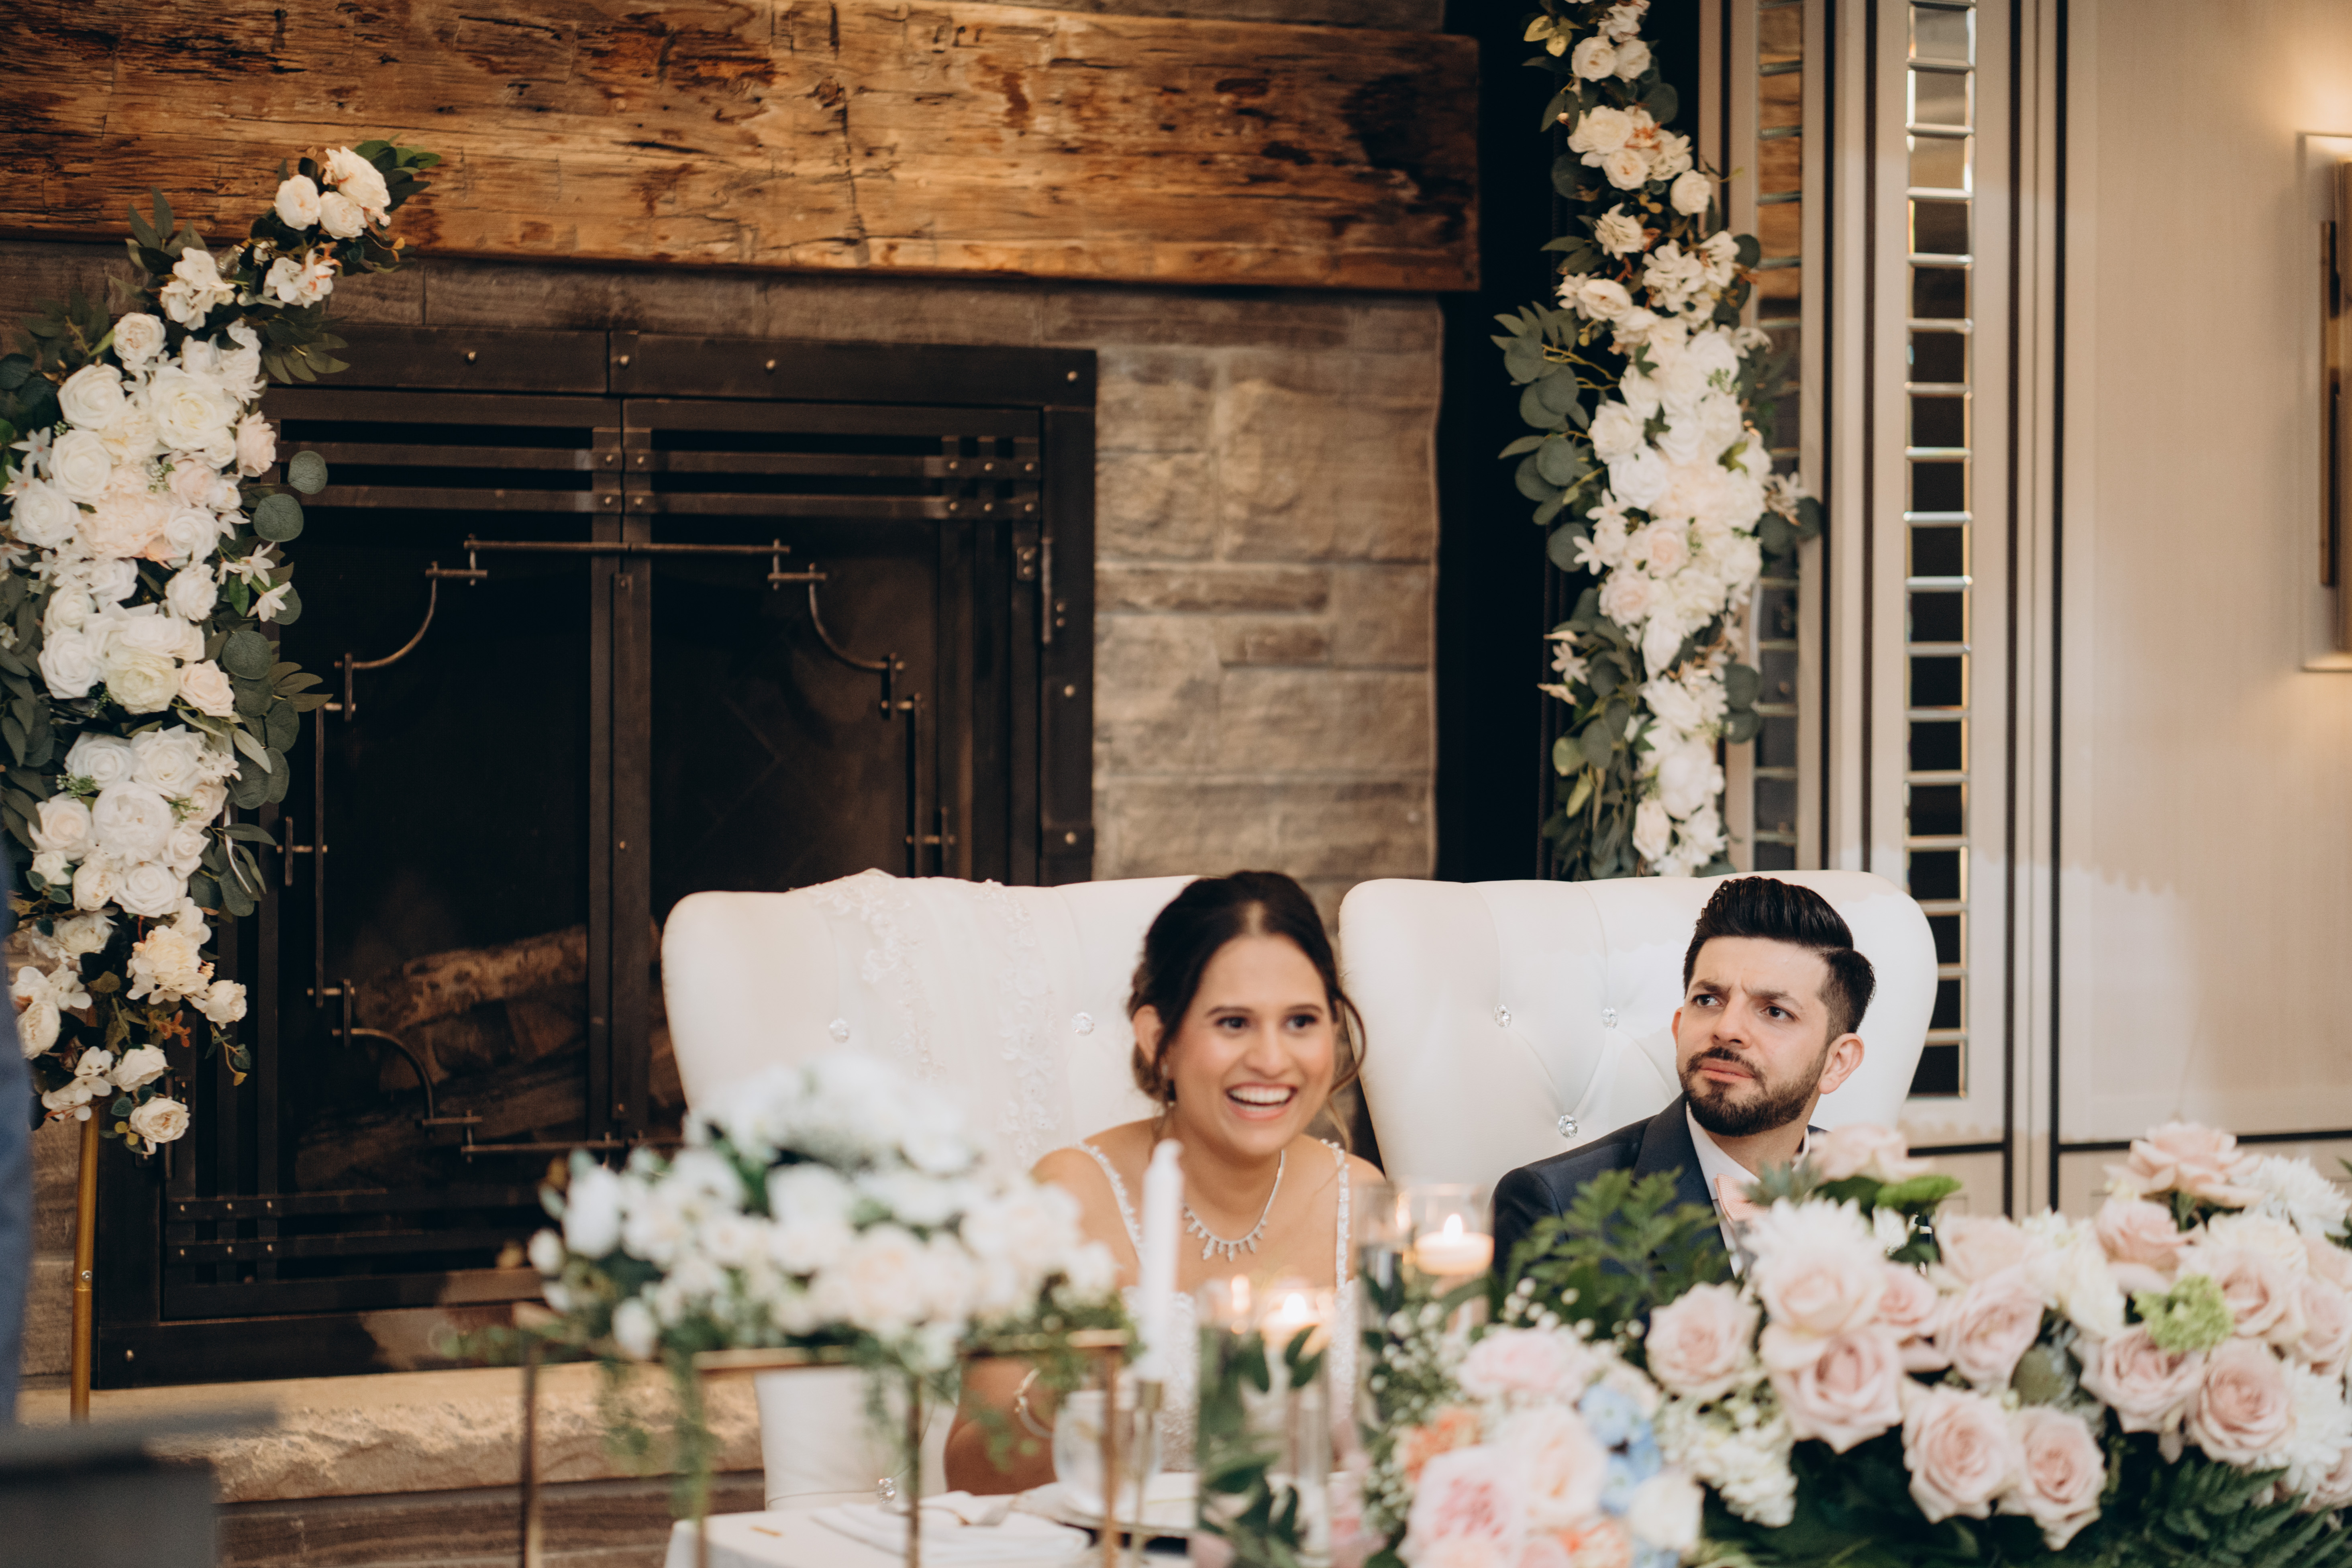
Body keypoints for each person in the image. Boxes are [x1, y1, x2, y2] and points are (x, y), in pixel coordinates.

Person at [944, 871, 1381, 1493]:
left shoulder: (1363, 1198)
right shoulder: (1065, 1200)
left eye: (1301, 1021)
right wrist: (1061, 1393)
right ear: (1160, 1041)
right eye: (1233, 1023)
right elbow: (968, 1474)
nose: (1272, 1059)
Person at [1490, 876, 1877, 1285]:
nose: (1726, 1028)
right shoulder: (1554, 1206)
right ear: (1679, 1028)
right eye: (1708, 1000)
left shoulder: (1881, 1192)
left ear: (1837, 1062)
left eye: (1775, 1011)